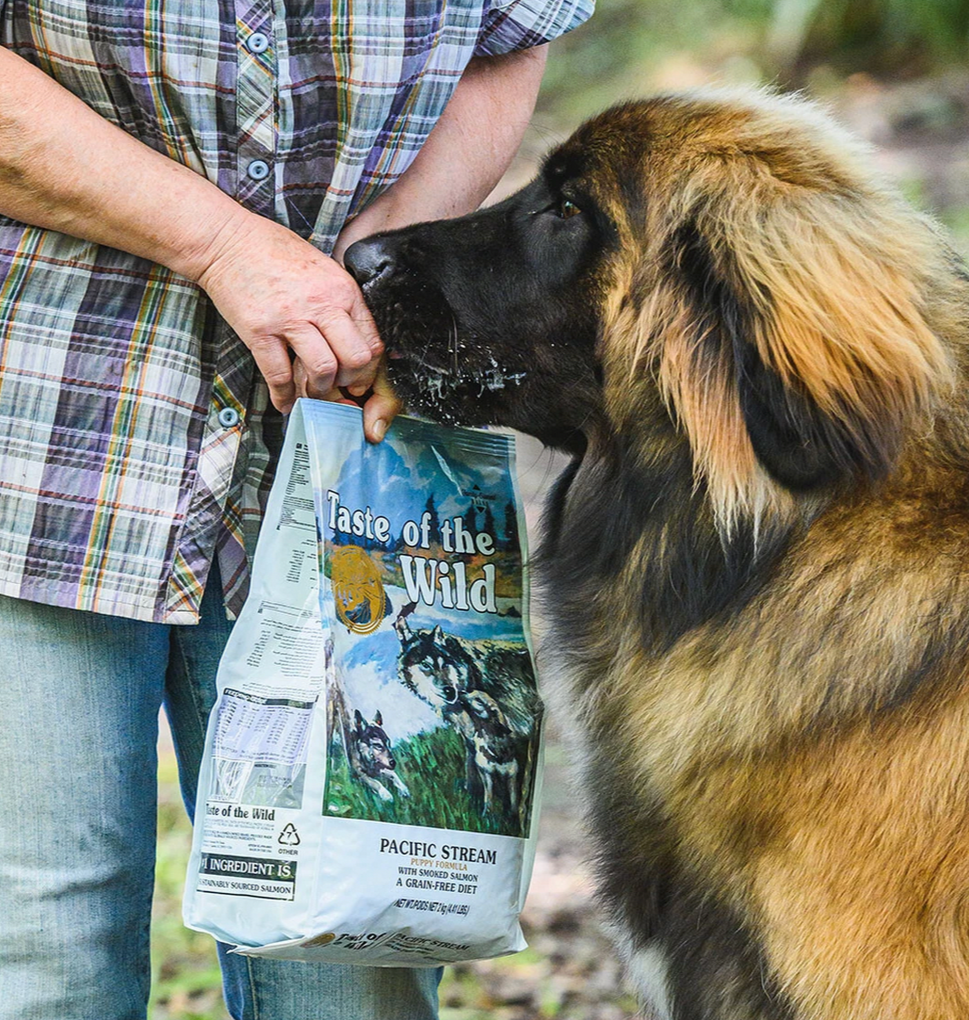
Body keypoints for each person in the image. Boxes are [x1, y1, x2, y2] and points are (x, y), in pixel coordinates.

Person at [0, 2, 592, 1018]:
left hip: (357, 448)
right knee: (50, 957)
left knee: (356, 962)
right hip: (48, 434)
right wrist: (220, 246)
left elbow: (506, 33)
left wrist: (387, 270)